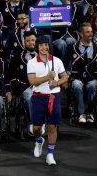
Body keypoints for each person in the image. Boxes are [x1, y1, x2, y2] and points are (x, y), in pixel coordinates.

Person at [27, 35, 68, 166]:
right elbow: (32, 81)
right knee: (36, 128)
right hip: (38, 97)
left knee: (52, 126)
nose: (44, 47)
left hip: (53, 97)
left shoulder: (57, 61)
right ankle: (39, 141)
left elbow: (65, 77)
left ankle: (50, 154)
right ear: (37, 47)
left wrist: (58, 82)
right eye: (41, 45)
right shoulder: (31, 62)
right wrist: (48, 77)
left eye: (46, 45)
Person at [66, 23, 97, 124]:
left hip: (92, 77)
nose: (90, 34)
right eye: (87, 32)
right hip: (77, 76)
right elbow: (64, 63)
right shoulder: (71, 47)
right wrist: (65, 74)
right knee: (77, 85)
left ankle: (90, 112)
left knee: (93, 85)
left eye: (91, 32)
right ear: (81, 34)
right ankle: (81, 113)